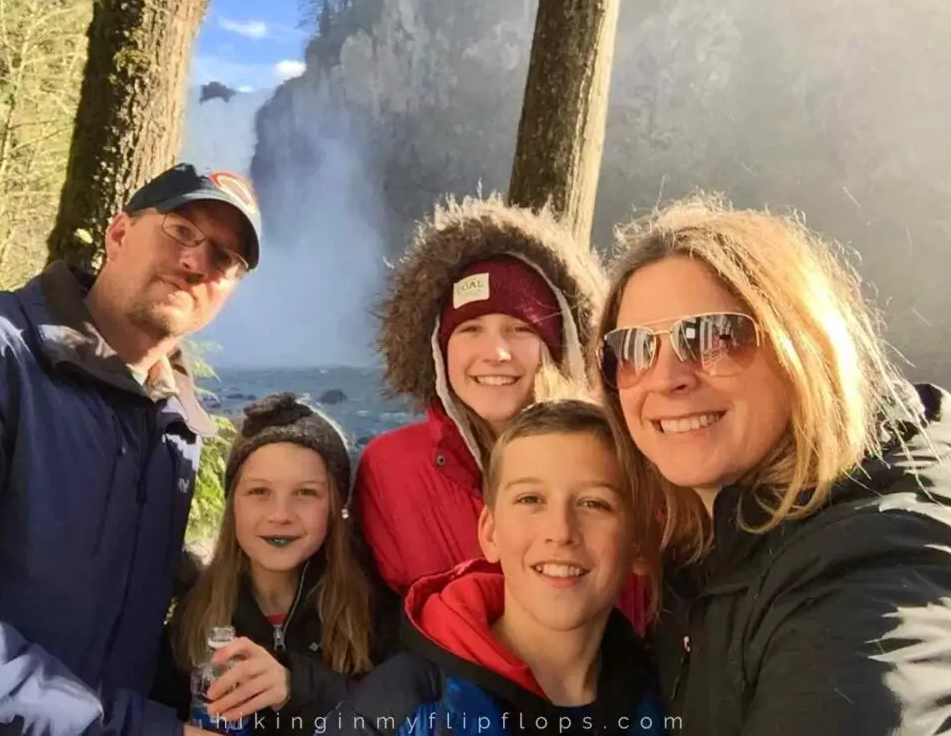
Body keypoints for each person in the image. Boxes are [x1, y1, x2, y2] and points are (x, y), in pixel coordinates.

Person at [595, 192, 951, 735]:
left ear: (801, 347)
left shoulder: (865, 567)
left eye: (712, 336)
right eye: (636, 348)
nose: (666, 378)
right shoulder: (710, 538)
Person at [0, 163, 262, 736]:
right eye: (182, 230)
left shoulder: (176, 430)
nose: (197, 262)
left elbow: (114, 626)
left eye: (226, 259)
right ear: (119, 232)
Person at [355, 195, 647, 632]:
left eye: (520, 329)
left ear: (560, 346)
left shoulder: (625, 456)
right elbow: (371, 622)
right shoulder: (389, 469)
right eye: (470, 329)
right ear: (438, 351)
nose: (494, 352)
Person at [315, 398, 664, 736]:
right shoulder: (406, 707)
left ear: (639, 545)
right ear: (491, 532)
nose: (560, 532)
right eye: (531, 499)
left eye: (594, 503)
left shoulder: (668, 697)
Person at [150, 393, 401, 734]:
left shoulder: (375, 610)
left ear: (335, 506)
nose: (281, 515)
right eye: (259, 492)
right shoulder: (192, 613)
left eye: (306, 493)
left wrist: (296, 688)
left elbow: (404, 723)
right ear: (232, 504)